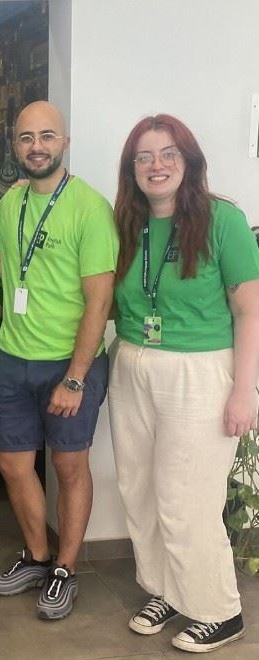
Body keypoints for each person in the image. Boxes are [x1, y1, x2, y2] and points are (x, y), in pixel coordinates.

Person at [108, 114, 259, 653]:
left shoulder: (222, 220)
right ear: (131, 168)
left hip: (199, 372)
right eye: (144, 157)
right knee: (140, 489)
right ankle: (166, 590)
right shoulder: (128, 224)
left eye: (168, 153)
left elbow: (250, 310)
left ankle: (220, 610)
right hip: (132, 364)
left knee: (188, 498)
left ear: (188, 160)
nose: (157, 165)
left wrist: (245, 391)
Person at [0, 101, 117, 620]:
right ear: (14, 146)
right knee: (12, 464)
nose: (36, 146)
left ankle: (65, 569)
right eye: (26, 138)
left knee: (68, 465)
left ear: (64, 143)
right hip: (11, 358)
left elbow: (99, 302)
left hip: (69, 363)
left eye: (46, 136)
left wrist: (76, 378)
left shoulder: (90, 207)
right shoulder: (10, 202)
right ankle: (38, 556)